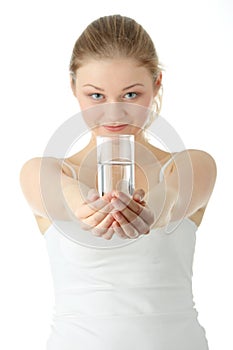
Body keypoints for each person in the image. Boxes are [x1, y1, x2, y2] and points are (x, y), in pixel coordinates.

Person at [20, 15, 217, 350]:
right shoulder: (43, 171)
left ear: (156, 84)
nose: (113, 114)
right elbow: (66, 196)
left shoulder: (191, 165)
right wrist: (84, 207)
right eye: (96, 96)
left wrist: (148, 211)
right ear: (73, 89)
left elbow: (168, 198)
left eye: (130, 95)